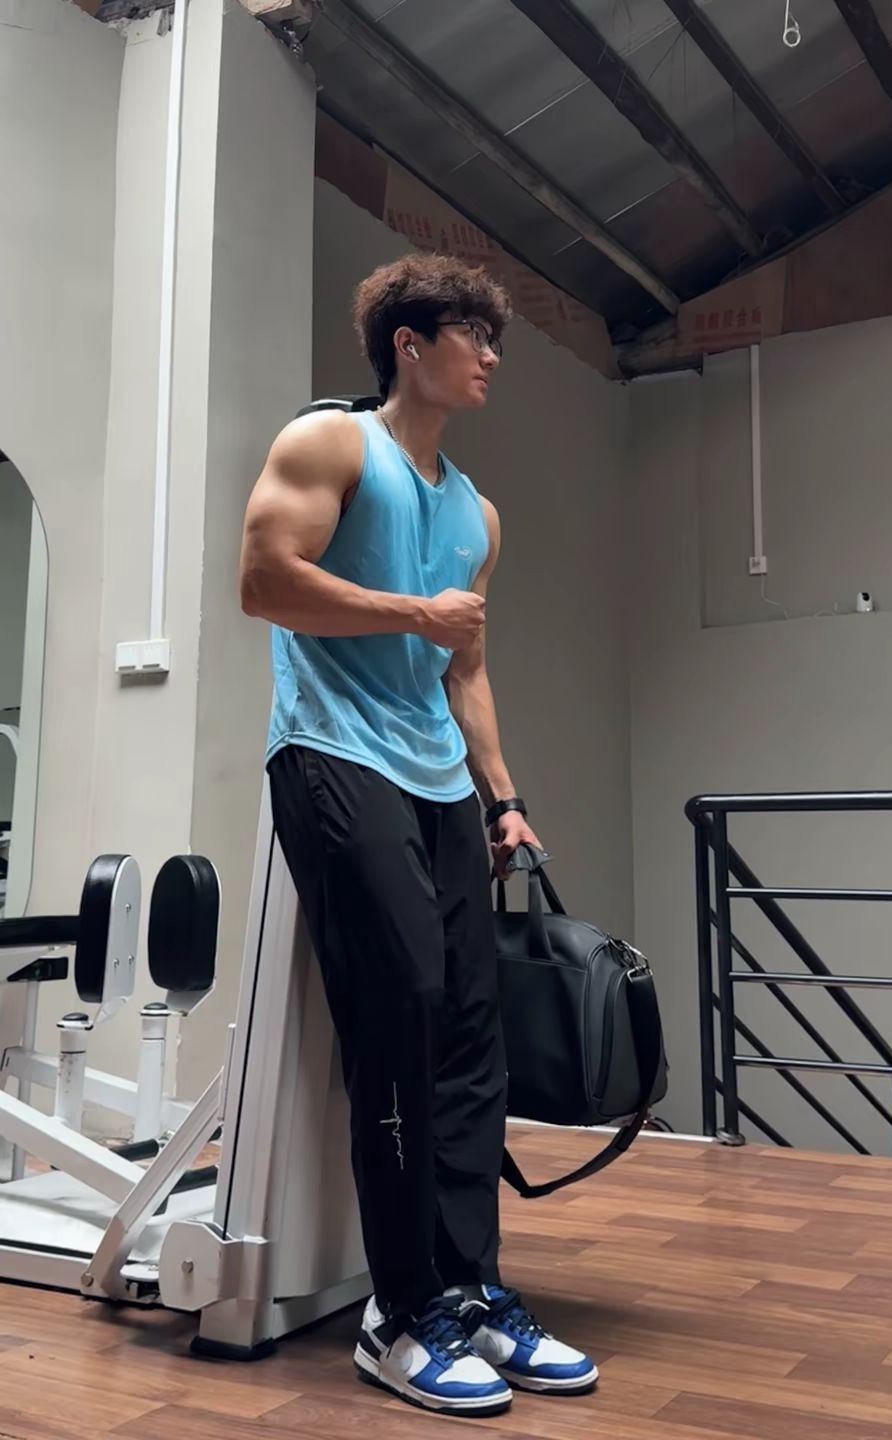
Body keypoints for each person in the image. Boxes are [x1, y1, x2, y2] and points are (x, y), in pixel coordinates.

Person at [239, 253, 597, 1418]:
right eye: (471, 336)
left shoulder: (475, 514)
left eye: (495, 340)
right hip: (333, 757)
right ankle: (398, 1315)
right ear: (408, 342)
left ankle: (471, 1291)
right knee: (399, 1015)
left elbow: (465, 668)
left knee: (470, 1039)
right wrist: (411, 610)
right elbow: (264, 582)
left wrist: (503, 798)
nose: (490, 356)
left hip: (440, 782)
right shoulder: (331, 445)